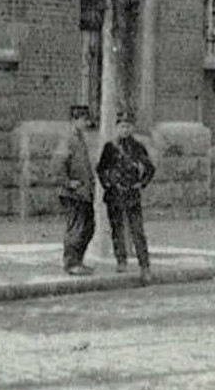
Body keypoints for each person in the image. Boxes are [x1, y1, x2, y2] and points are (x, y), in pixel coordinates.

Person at [98, 112, 156, 281]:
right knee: (117, 230)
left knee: (137, 230)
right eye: (121, 126)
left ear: (132, 128)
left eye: (128, 126)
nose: (125, 129)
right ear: (116, 128)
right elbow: (101, 169)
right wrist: (108, 184)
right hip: (115, 194)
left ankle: (144, 266)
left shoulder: (138, 147)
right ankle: (121, 260)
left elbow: (150, 168)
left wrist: (142, 183)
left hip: (132, 194)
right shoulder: (109, 147)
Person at [58, 105, 97, 276]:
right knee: (76, 228)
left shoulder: (80, 138)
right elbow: (58, 163)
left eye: (86, 119)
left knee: (88, 227)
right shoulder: (68, 139)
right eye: (82, 119)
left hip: (84, 192)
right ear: (74, 120)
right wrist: (67, 182)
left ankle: (78, 261)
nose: (86, 123)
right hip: (73, 193)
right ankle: (71, 263)